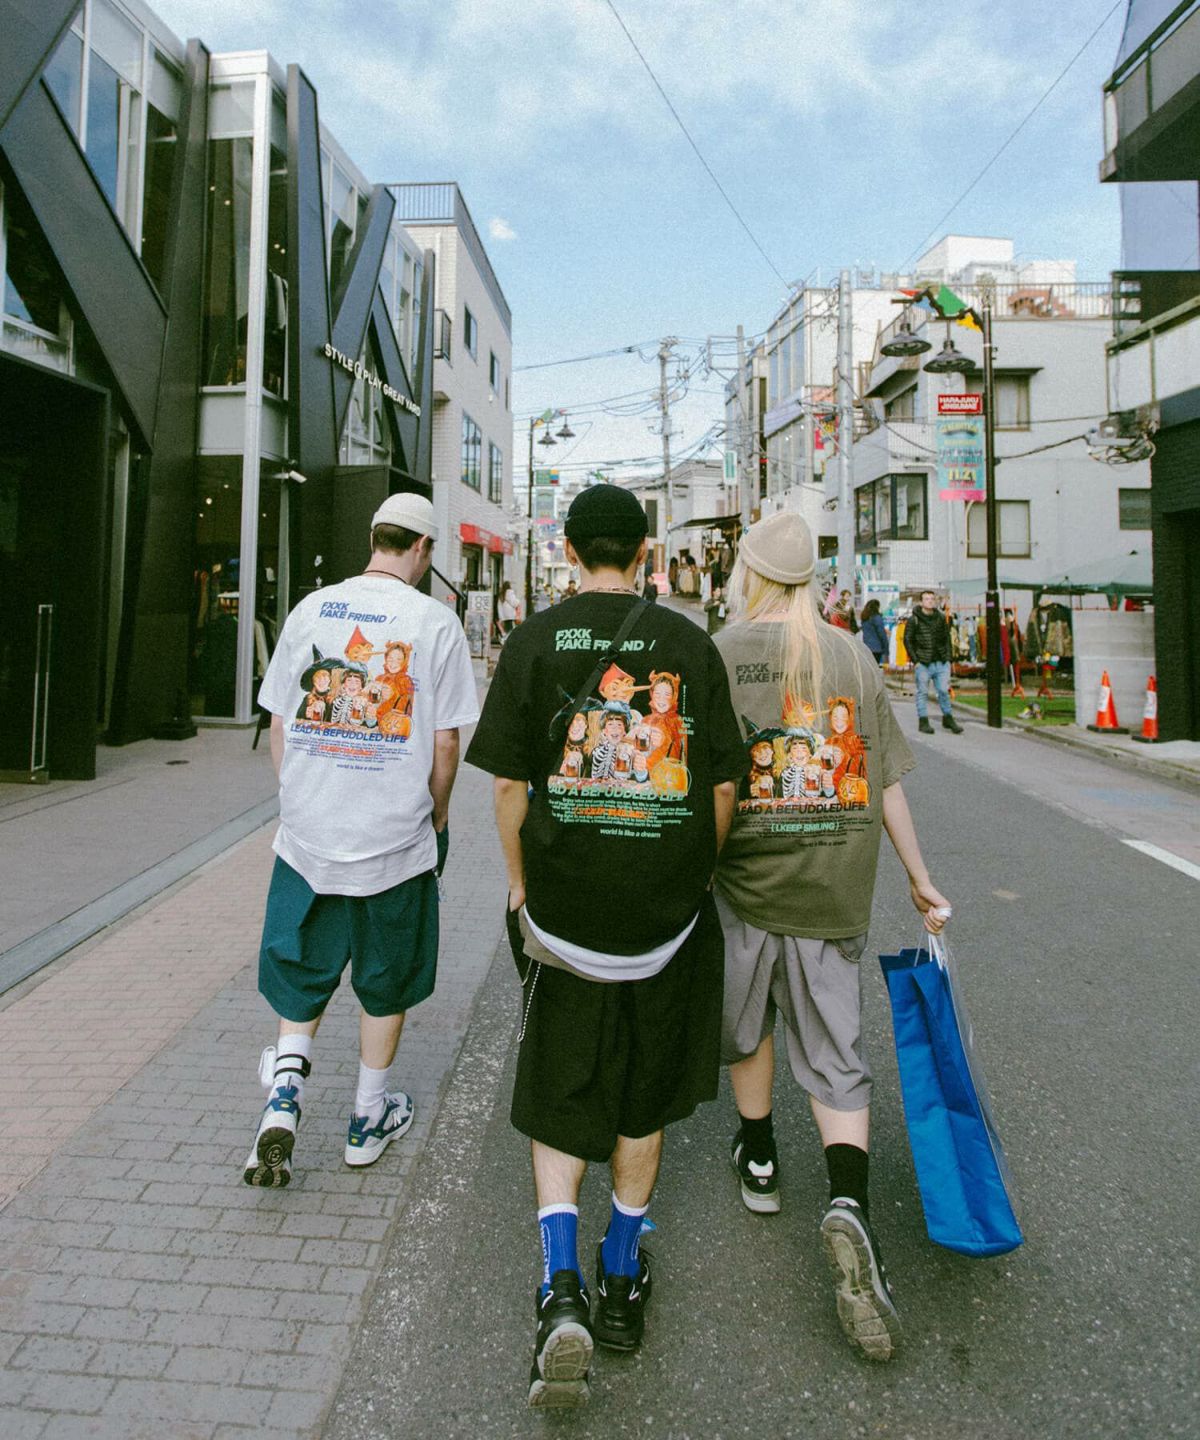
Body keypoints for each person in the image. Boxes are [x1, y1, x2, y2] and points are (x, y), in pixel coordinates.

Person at [466, 484, 746, 1409]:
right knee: (642, 1092)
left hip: (563, 916)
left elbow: (508, 786)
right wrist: (694, 874)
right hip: (665, 920)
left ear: (569, 548)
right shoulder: (691, 645)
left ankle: (560, 1286)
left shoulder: (535, 641)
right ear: (646, 552)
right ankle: (621, 1275)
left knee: (562, 1085)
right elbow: (722, 787)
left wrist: (519, 883)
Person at [713, 511, 951, 1362]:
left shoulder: (723, 651)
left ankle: (761, 1158)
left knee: (748, 1023)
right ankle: (849, 1201)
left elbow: (711, 783)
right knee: (835, 1045)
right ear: (810, 578)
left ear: (748, 574)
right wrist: (920, 878)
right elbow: (886, 784)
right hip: (836, 884)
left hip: (745, 880)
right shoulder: (851, 654)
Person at [243, 493, 479, 1188]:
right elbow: (445, 744)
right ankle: (367, 1117)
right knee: (387, 973)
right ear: (423, 549)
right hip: (393, 839)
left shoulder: (311, 609)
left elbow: (281, 722)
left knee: (300, 964)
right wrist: (437, 815)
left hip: (308, 835)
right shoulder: (435, 622)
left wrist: (303, 798)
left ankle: (283, 1096)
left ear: (375, 536)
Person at [906, 590, 963, 734]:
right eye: (927, 599)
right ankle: (923, 721)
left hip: (941, 661)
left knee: (943, 690)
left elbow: (947, 638)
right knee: (923, 692)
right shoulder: (914, 620)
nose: (930, 601)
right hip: (923, 662)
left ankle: (948, 718)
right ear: (921, 602)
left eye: (932, 599)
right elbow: (908, 640)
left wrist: (948, 658)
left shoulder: (941, 617)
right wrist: (916, 660)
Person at [860, 598, 888, 667]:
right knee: (875, 668)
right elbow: (882, 634)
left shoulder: (864, 618)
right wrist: (886, 648)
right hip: (876, 648)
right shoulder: (876, 618)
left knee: (868, 667)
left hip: (866, 647)